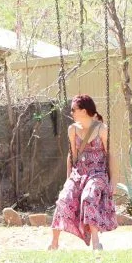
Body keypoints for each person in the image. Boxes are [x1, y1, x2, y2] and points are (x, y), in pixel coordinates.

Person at [48, 94, 118, 251]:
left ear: (84, 111)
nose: (71, 113)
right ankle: (54, 243)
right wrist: (68, 180)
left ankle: (96, 242)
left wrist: (113, 180)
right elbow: (72, 156)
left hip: (97, 173)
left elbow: (110, 155)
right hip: (79, 173)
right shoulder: (72, 129)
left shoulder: (101, 129)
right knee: (63, 198)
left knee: (89, 196)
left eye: (74, 110)